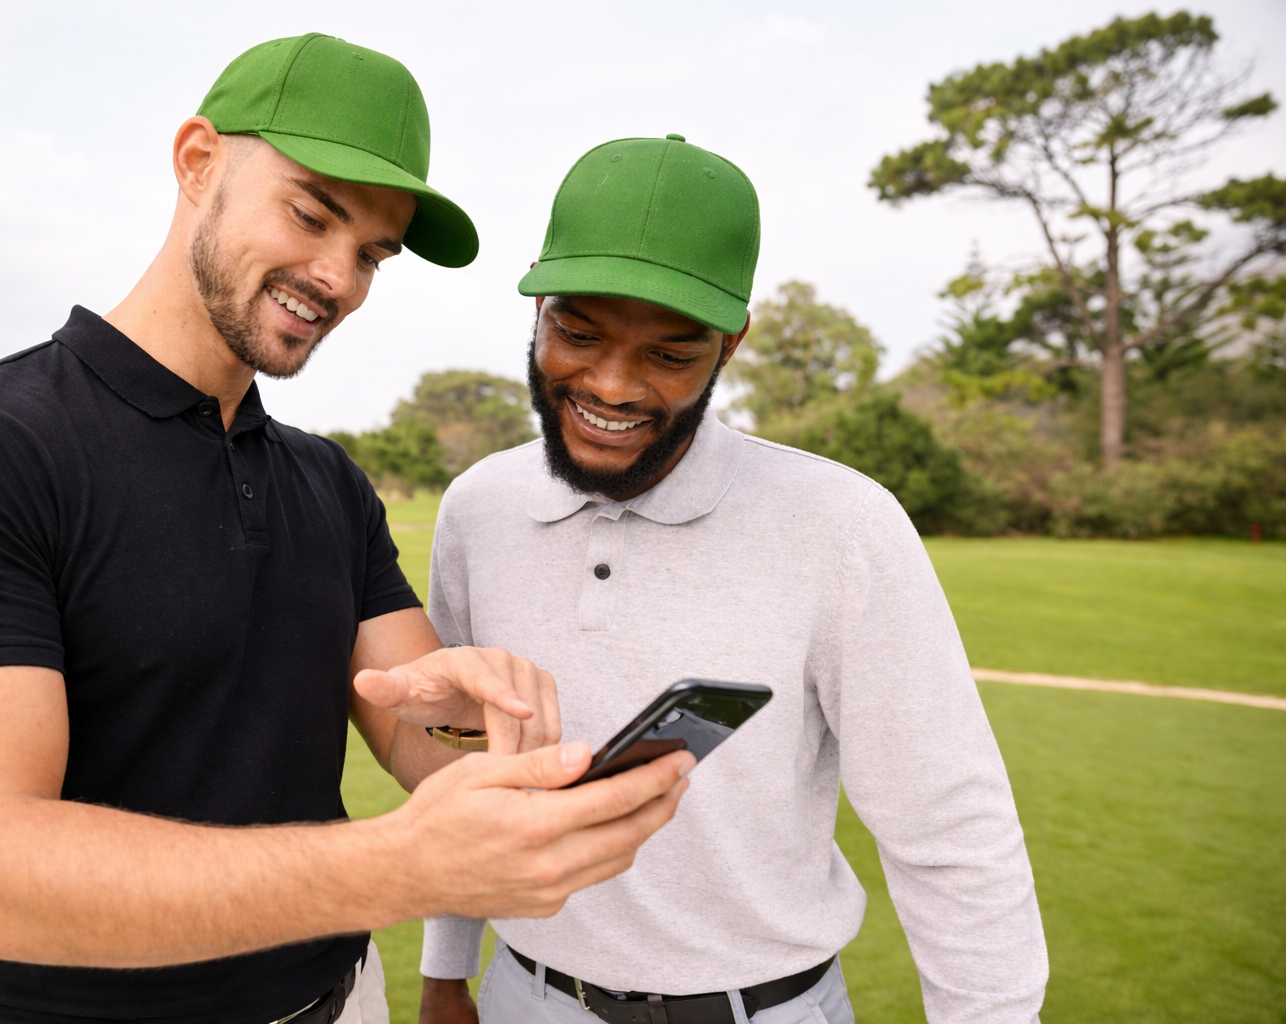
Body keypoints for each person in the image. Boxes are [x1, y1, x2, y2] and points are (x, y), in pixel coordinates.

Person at [0, 38, 693, 1024]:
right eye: (311, 213)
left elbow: (416, 728)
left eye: (373, 253)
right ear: (199, 161)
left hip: (345, 1000)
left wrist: (498, 742)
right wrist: (399, 864)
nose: (338, 278)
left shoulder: (325, 481)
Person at [417, 135, 1049, 1023]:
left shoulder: (845, 525)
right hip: (524, 995)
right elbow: (465, 759)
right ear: (537, 300)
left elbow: (950, 829)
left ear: (731, 343)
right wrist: (448, 970)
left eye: (670, 355)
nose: (610, 384)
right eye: (577, 331)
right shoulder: (477, 508)